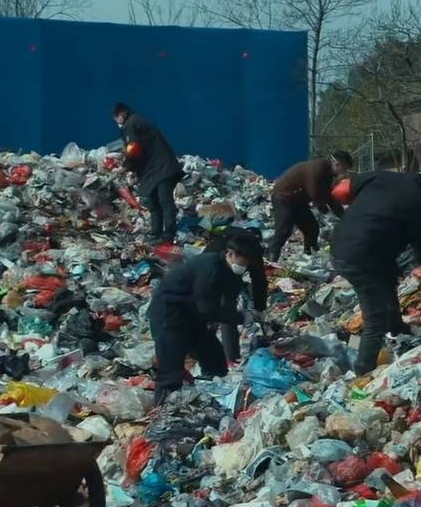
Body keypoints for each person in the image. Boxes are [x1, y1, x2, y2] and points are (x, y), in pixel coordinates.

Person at [331, 165, 421, 375]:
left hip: (341, 246)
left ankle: (397, 329)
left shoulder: (380, 176)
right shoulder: (418, 203)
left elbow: (346, 189)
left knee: (388, 280)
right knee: (375, 317)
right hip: (362, 257)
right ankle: (362, 372)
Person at [148, 229, 263, 402]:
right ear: (230, 253)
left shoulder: (231, 271)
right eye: (243, 260)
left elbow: (227, 299)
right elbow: (207, 308)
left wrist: (253, 312)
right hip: (168, 313)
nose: (245, 265)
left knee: (214, 357)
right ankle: (164, 413)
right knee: (171, 368)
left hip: (191, 315)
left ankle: (215, 397)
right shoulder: (210, 267)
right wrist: (241, 318)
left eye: (248, 262)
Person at [113, 103, 184, 244]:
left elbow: (133, 148)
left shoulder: (131, 124)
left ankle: (168, 235)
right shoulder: (137, 121)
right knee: (153, 202)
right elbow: (140, 150)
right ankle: (156, 234)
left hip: (161, 168)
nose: (117, 122)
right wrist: (133, 168)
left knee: (164, 201)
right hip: (152, 170)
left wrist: (125, 167)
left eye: (116, 119)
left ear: (121, 115)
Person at [268, 151, 353, 260]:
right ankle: (272, 257)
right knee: (285, 227)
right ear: (338, 164)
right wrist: (326, 212)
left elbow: (329, 196)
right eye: (344, 169)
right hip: (283, 196)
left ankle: (310, 255)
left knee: (312, 228)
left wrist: (343, 217)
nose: (344, 173)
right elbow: (314, 193)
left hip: (298, 200)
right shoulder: (316, 167)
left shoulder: (328, 174)